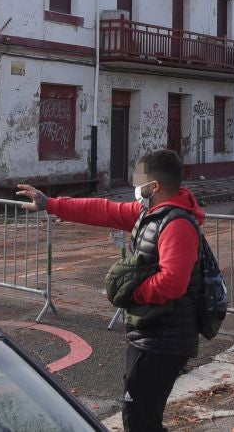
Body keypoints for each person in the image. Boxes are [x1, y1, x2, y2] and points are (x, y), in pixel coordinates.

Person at [17, 149, 203, 432]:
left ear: (154, 187)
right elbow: (104, 210)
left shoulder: (176, 224)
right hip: (151, 331)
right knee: (141, 417)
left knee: (139, 420)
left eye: (140, 182)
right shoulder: (149, 213)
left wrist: (132, 293)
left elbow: (172, 283)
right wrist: (51, 204)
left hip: (164, 338)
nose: (135, 189)